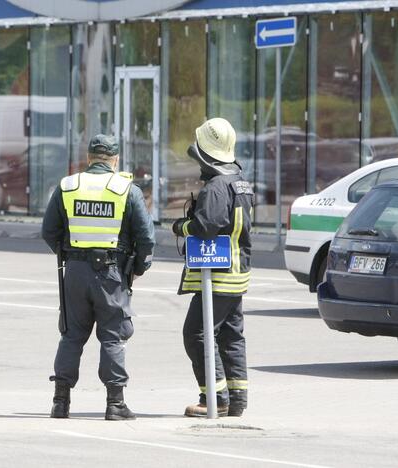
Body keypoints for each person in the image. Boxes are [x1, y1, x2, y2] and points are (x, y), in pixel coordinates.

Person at [42, 134, 155, 420]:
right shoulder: (126, 189)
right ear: (115, 160)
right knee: (113, 338)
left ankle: (60, 402)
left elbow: (49, 231)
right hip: (111, 274)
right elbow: (146, 237)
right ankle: (115, 404)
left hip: (75, 273)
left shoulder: (68, 186)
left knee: (71, 337)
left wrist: (68, 252)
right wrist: (138, 268)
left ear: (89, 158)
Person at [171, 118, 254, 418]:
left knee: (196, 334)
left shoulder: (216, 187)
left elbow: (205, 226)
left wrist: (181, 226)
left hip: (218, 277)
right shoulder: (239, 180)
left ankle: (216, 398)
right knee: (231, 336)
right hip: (237, 274)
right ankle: (238, 399)